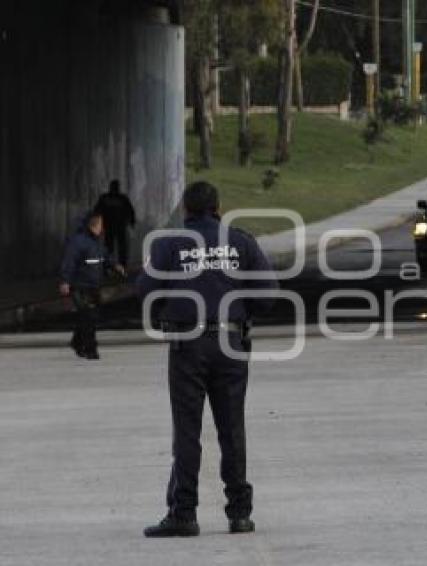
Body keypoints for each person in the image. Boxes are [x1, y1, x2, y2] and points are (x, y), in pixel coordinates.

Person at [136, 181, 277, 538]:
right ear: (218, 207)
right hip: (231, 344)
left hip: (188, 344)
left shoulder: (170, 244)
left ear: (186, 209)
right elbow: (268, 294)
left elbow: (145, 291)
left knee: (187, 431)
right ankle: (240, 513)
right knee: (232, 429)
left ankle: (184, 513)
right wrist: (241, 312)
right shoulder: (241, 241)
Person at [59, 211, 124, 360]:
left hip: (94, 285)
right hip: (80, 286)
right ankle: (90, 349)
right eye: (101, 224)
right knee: (89, 316)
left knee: (88, 316)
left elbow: (105, 256)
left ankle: (77, 341)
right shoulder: (78, 242)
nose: (103, 227)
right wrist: (65, 281)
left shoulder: (96, 242)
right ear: (94, 225)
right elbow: (69, 262)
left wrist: (115, 266)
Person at [95, 179, 136, 268]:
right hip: (115, 226)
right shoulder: (121, 198)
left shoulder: (107, 198)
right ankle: (115, 264)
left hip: (113, 226)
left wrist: (131, 221)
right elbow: (130, 211)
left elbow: (97, 211)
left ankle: (115, 264)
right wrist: (132, 222)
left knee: (113, 246)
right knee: (113, 246)